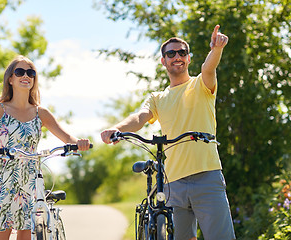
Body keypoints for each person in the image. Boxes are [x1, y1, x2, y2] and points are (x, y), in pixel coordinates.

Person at [101, 25, 236, 240]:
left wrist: (216, 49)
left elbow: (208, 68)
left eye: (182, 53)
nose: (177, 57)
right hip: (173, 183)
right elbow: (140, 118)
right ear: (163, 61)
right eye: (171, 53)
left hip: (207, 176)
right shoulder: (157, 98)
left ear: (188, 59)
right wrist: (117, 129)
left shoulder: (201, 85)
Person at [0, 55, 91, 240]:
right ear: (10, 79)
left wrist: (79, 143)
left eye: (30, 72)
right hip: (4, 180)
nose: (25, 76)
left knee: (27, 236)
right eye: (19, 72)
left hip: (31, 180)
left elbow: (67, 137)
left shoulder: (40, 112)